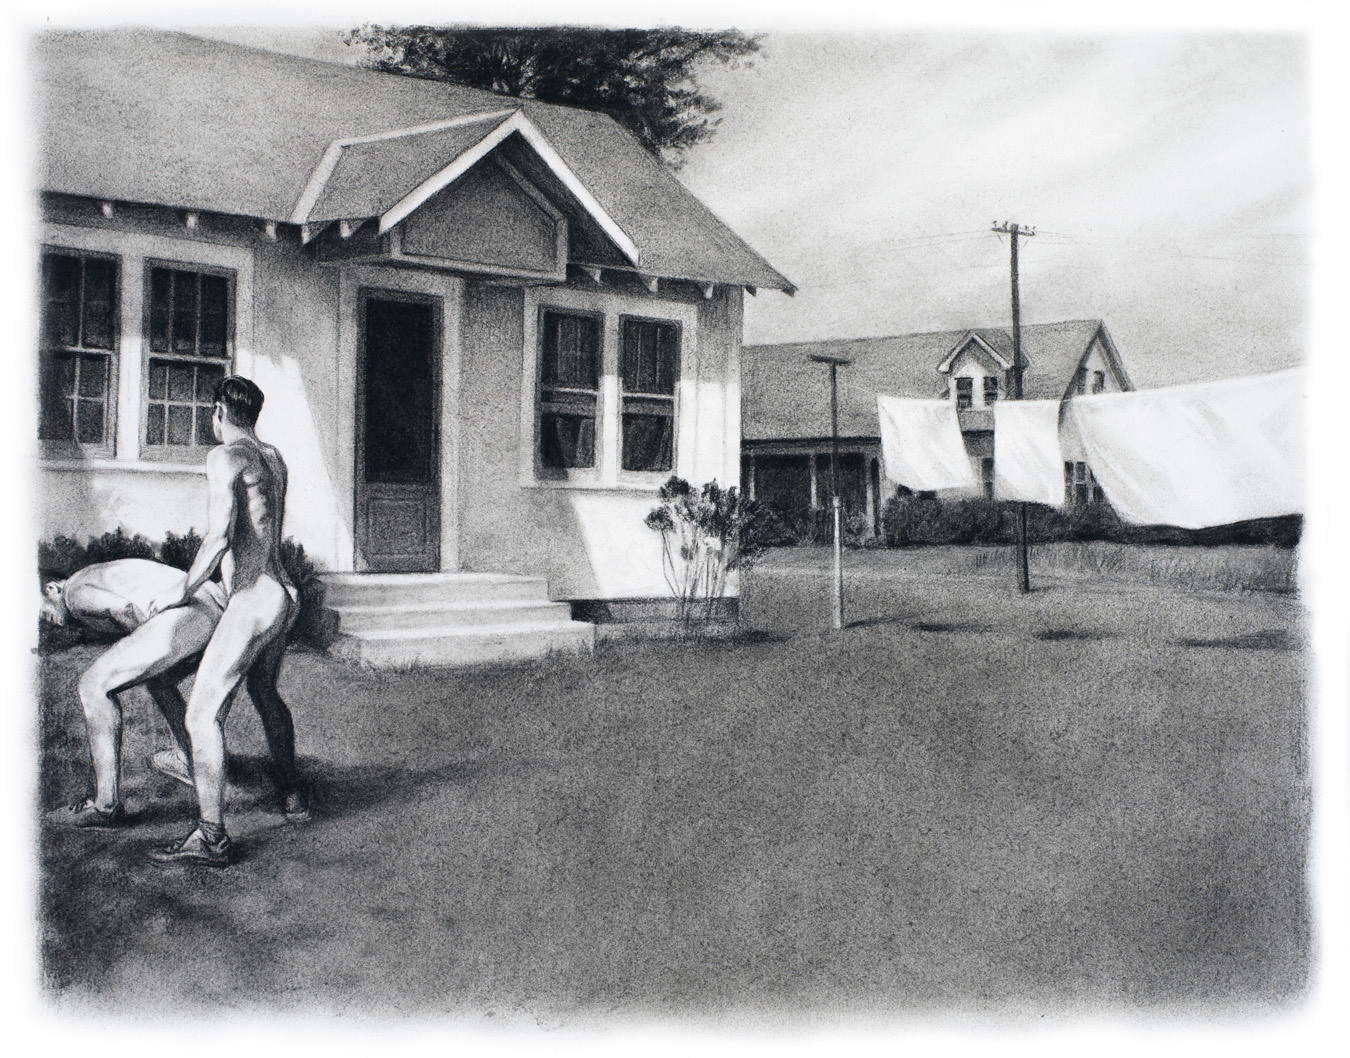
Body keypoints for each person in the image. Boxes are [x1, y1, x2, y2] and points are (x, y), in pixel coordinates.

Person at [145, 376, 298, 867]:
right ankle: (293, 796)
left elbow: (217, 539)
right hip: (284, 594)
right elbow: (262, 533)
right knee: (264, 693)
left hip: (255, 598)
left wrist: (180, 593)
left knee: (200, 714)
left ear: (218, 412)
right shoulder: (273, 457)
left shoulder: (223, 457)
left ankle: (211, 836)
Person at [41, 558, 309, 828]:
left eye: (41, 611)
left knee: (92, 685)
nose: (44, 621)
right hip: (217, 607)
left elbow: (122, 607)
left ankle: (105, 805)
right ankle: (192, 760)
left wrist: (145, 639)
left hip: (185, 614)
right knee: (159, 680)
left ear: (52, 588)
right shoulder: (96, 572)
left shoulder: (74, 590)